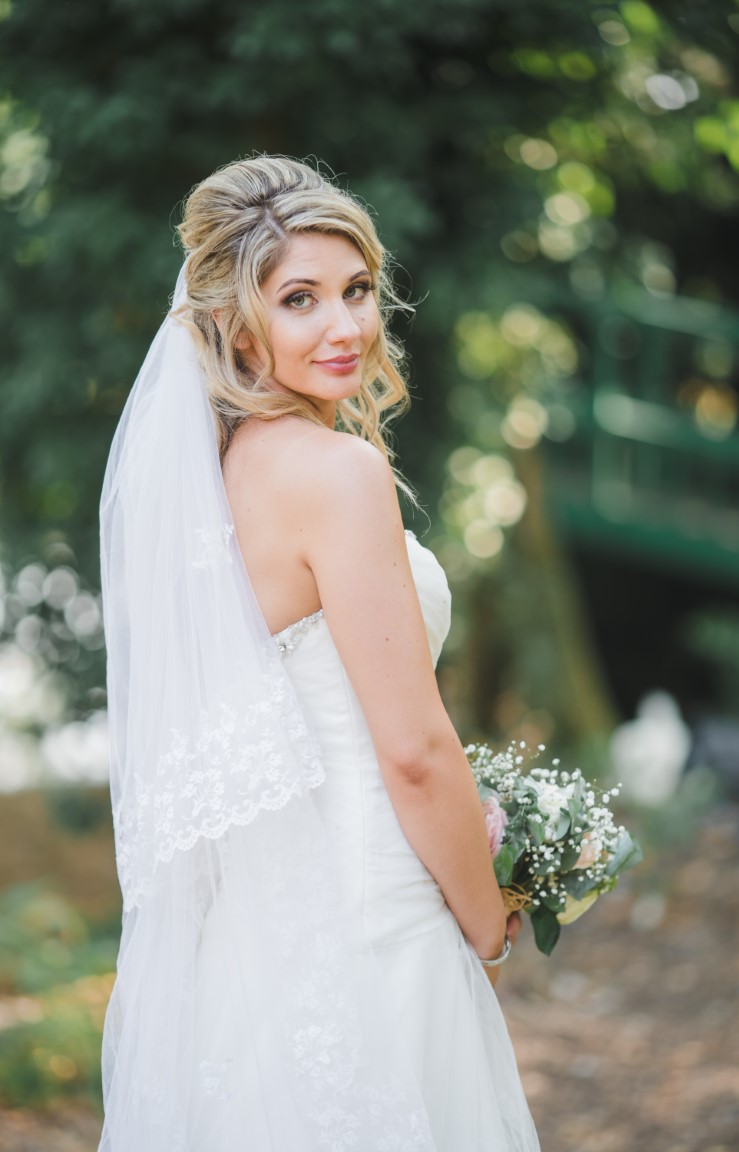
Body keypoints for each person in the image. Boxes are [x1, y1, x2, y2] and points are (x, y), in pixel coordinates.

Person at [98, 155, 539, 1151]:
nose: (346, 327)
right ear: (233, 320)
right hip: (376, 920)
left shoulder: (211, 479)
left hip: (253, 945)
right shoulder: (337, 474)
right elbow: (414, 752)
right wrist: (486, 918)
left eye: (358, 290)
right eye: (300, 299)